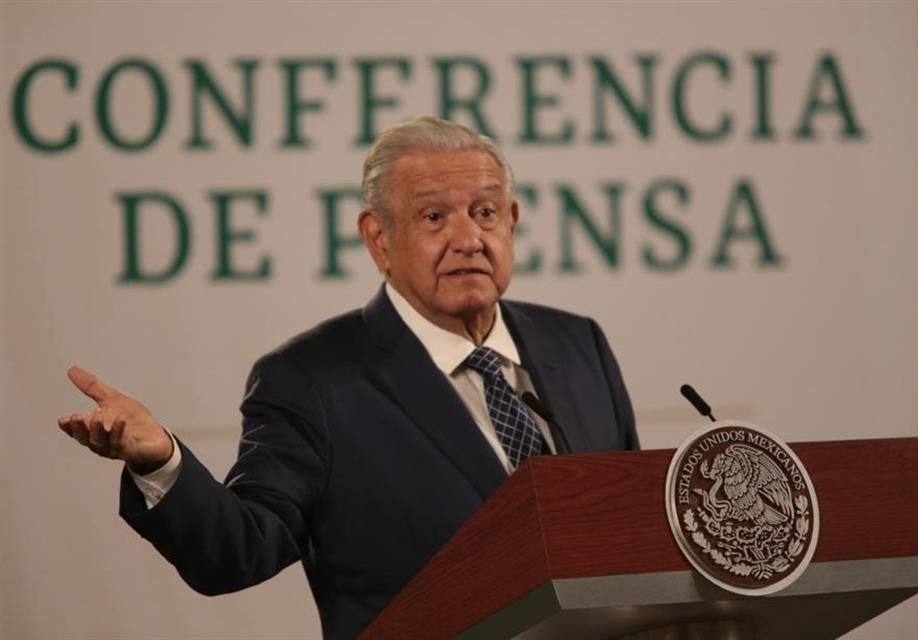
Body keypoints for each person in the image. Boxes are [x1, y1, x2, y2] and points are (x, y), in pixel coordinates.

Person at [58, 116, 639, 639]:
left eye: (485, 212)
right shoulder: (312, 380)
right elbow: (239, 550)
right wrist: (160, 461)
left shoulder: (577, 343)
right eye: (434, 217)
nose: (468, 239)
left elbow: (636, 534)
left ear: (511, 222)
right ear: (378, 238)